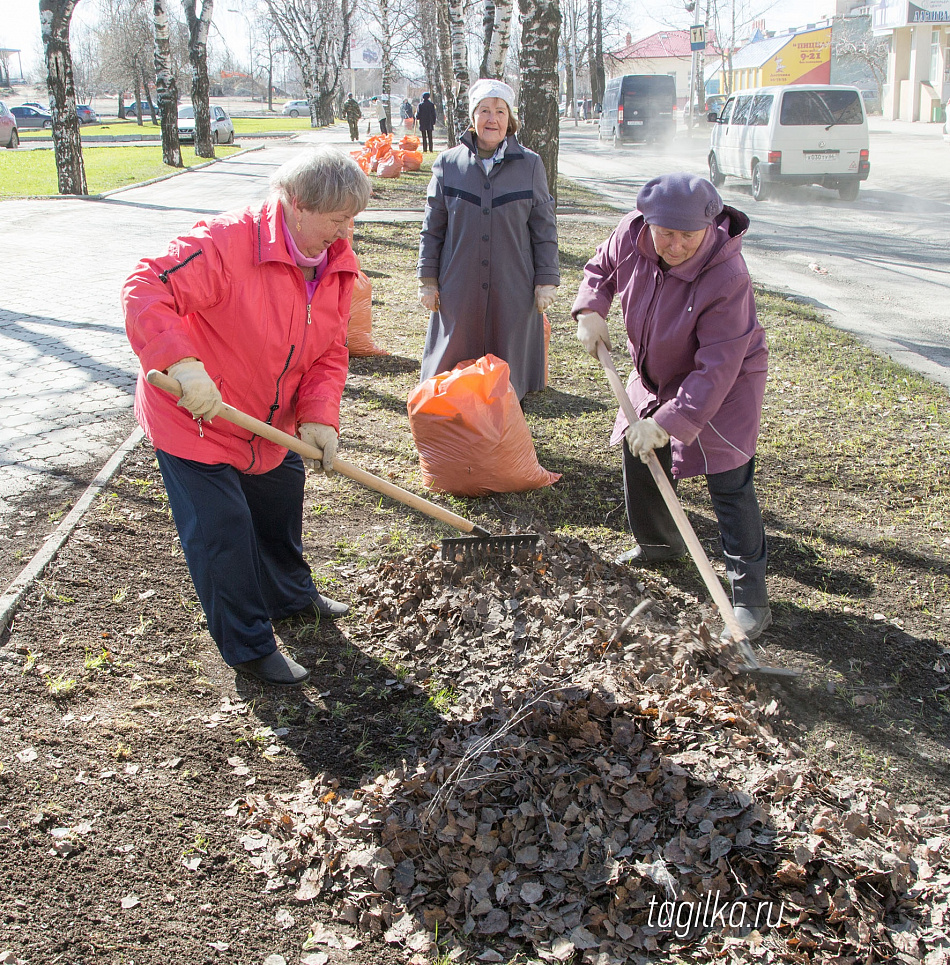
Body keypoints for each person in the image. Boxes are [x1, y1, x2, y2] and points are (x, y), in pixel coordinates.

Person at [122, 147, 373, 686]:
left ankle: (290, 596)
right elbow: (146, 287)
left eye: (352, 219)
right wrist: (182, 365)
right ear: (297, 206)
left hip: (267, 423)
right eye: (338, 219)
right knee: (223, 532)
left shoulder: (337, 265)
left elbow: (329, 351)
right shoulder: (227, 244)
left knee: (280, 502)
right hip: (196, 417)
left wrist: (320, 416)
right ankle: (250, 647)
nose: (346, 230)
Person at [572, 172, 772, 642]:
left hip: (723, 387)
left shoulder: (727, 276)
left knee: (729, 483)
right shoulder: (632, 233)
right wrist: (591, 309)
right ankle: (659, 545)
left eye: (688, 236)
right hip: (656, 371)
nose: (676, 245)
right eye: (666, 234)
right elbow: (600, 270)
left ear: (709, 226)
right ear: (649, 222)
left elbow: (718, 367)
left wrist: (667, 422)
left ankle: (750, 601)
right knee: (639, 453)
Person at [417, 78, 559, 401]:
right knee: (453, 369)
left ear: (510, 120)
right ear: (472, 117)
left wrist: (546, 280)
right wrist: (428, 279)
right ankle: (458, 432)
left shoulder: (531, 165)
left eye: (499, 111)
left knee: (507, 374)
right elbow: (432, 227)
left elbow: (544, 228)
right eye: (484, 110)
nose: (491, 119)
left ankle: (503, 438)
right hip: (458, 288)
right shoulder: (447, 165)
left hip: (512, 287)